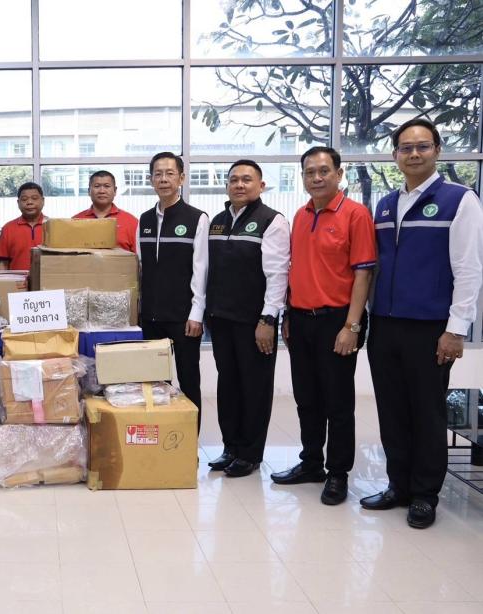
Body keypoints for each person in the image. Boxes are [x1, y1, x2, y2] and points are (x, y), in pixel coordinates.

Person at [362, 118, 483, 529]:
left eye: (422, 146)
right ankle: (398, 485)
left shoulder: (459, 200)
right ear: (395, 154)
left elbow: (469, 269)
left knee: (427, 411)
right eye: (406, 148)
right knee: (391, 409)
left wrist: (456, 329)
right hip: (385, 323)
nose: (414, 154)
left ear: (437, 150)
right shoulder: (385, 204)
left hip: (430, 326)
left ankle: (425, 494)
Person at [271, 147, 376, 503]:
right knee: (307, 398)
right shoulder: (300, 216)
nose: (316, 178)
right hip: (300, 320)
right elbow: (295, 270)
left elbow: (363, 274)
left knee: (337, 401)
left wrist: (352, 326)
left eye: (323, 171)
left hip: (338, 320)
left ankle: (338, 473)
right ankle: (311, 462)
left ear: (339, 174)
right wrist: (288, 314)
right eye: (309, 172)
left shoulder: (355, 214)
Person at [205, 160, 289, 478]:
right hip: (221, 318)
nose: (239, 185)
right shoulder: (217, 221)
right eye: (234, 180)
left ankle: (250, 453)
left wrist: (268, 319)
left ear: (261, 185)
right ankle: (231, 447)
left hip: (254, 322)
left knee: (254, 386)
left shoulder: (271, 220)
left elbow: (278, 274)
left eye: (247, 179)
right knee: (228, 385)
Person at [136, 152, 208, 428]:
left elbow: (201, 269)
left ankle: (189, 440)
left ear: (181, 178)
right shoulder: (144, 220)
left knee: (188, 380)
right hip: (151, 317)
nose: (163, 179)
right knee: (154, 384)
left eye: (169, 173)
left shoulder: (196, 218)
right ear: (151, 179)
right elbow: (140, 269)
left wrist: (197, 313)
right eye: (158, 174)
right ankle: (161, 439)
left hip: (184, 317)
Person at [73, 170, 138, 253]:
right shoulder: (75, 221)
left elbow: (139, 256)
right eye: (97, 186)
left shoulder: (132, 222)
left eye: (107, 186)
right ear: (89, 191)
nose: (102, 191)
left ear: (115, 191)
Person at [0, 181, 46, 271]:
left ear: (43, 201)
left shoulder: (53, 227)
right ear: (18, 202)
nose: (29, 202)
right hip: (16, 280)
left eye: (34, 198)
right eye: (24, 199)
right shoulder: (8, 228)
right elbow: (3, 263)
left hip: (47, 279)